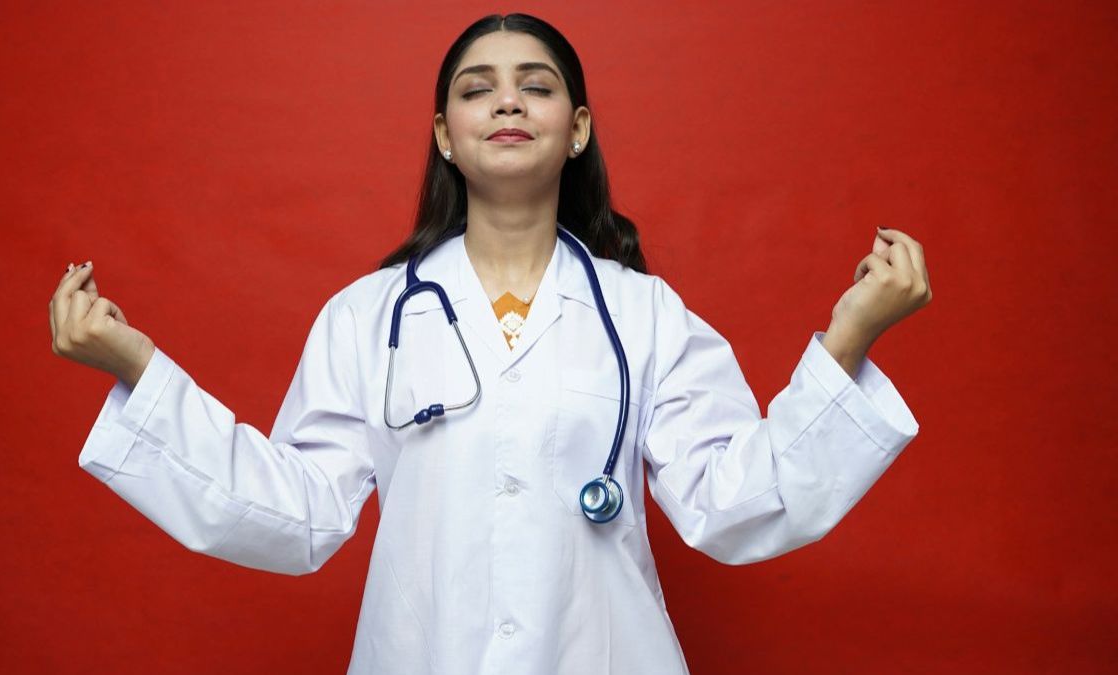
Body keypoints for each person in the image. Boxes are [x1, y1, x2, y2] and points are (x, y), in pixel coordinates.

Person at [48, 13, 930, 675]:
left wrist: (848, 341)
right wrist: (136, 367)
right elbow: (299, 511)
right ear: (444, 135)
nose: (507, 99)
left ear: (577, 129)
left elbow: (735, 502)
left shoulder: (647, 314)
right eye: (477, 88)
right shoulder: (367, 316)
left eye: (536, 84)